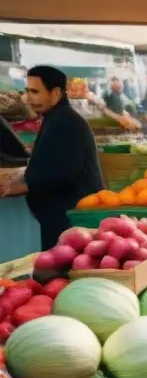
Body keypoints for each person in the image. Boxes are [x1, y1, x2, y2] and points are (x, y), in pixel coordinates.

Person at [0, 66, 102, 249]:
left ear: (55, 93)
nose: (29, 98)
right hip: (62, 219)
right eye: (27, 91)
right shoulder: (54, 118)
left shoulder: (67, 123)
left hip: (73, 221)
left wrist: (25, 183)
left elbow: (61, 171)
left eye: (35, 91)